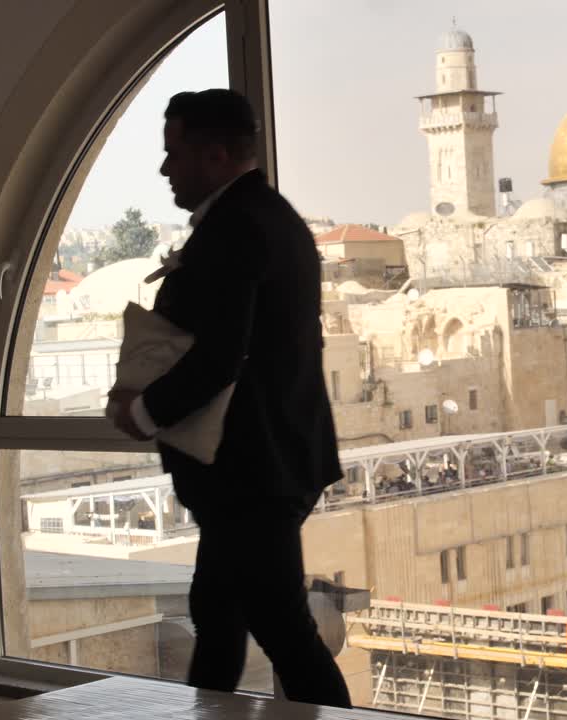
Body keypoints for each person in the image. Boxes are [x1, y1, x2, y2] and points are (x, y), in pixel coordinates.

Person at [107, 89, 350, 707]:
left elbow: (220, 357)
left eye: (175, 153)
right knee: (218, 614)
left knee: (279, 626)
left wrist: (141, 411)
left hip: (251, 469)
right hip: (264, 463)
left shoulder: (235, 228)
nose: (165, 169)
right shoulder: (271, 217)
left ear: (215, 154)